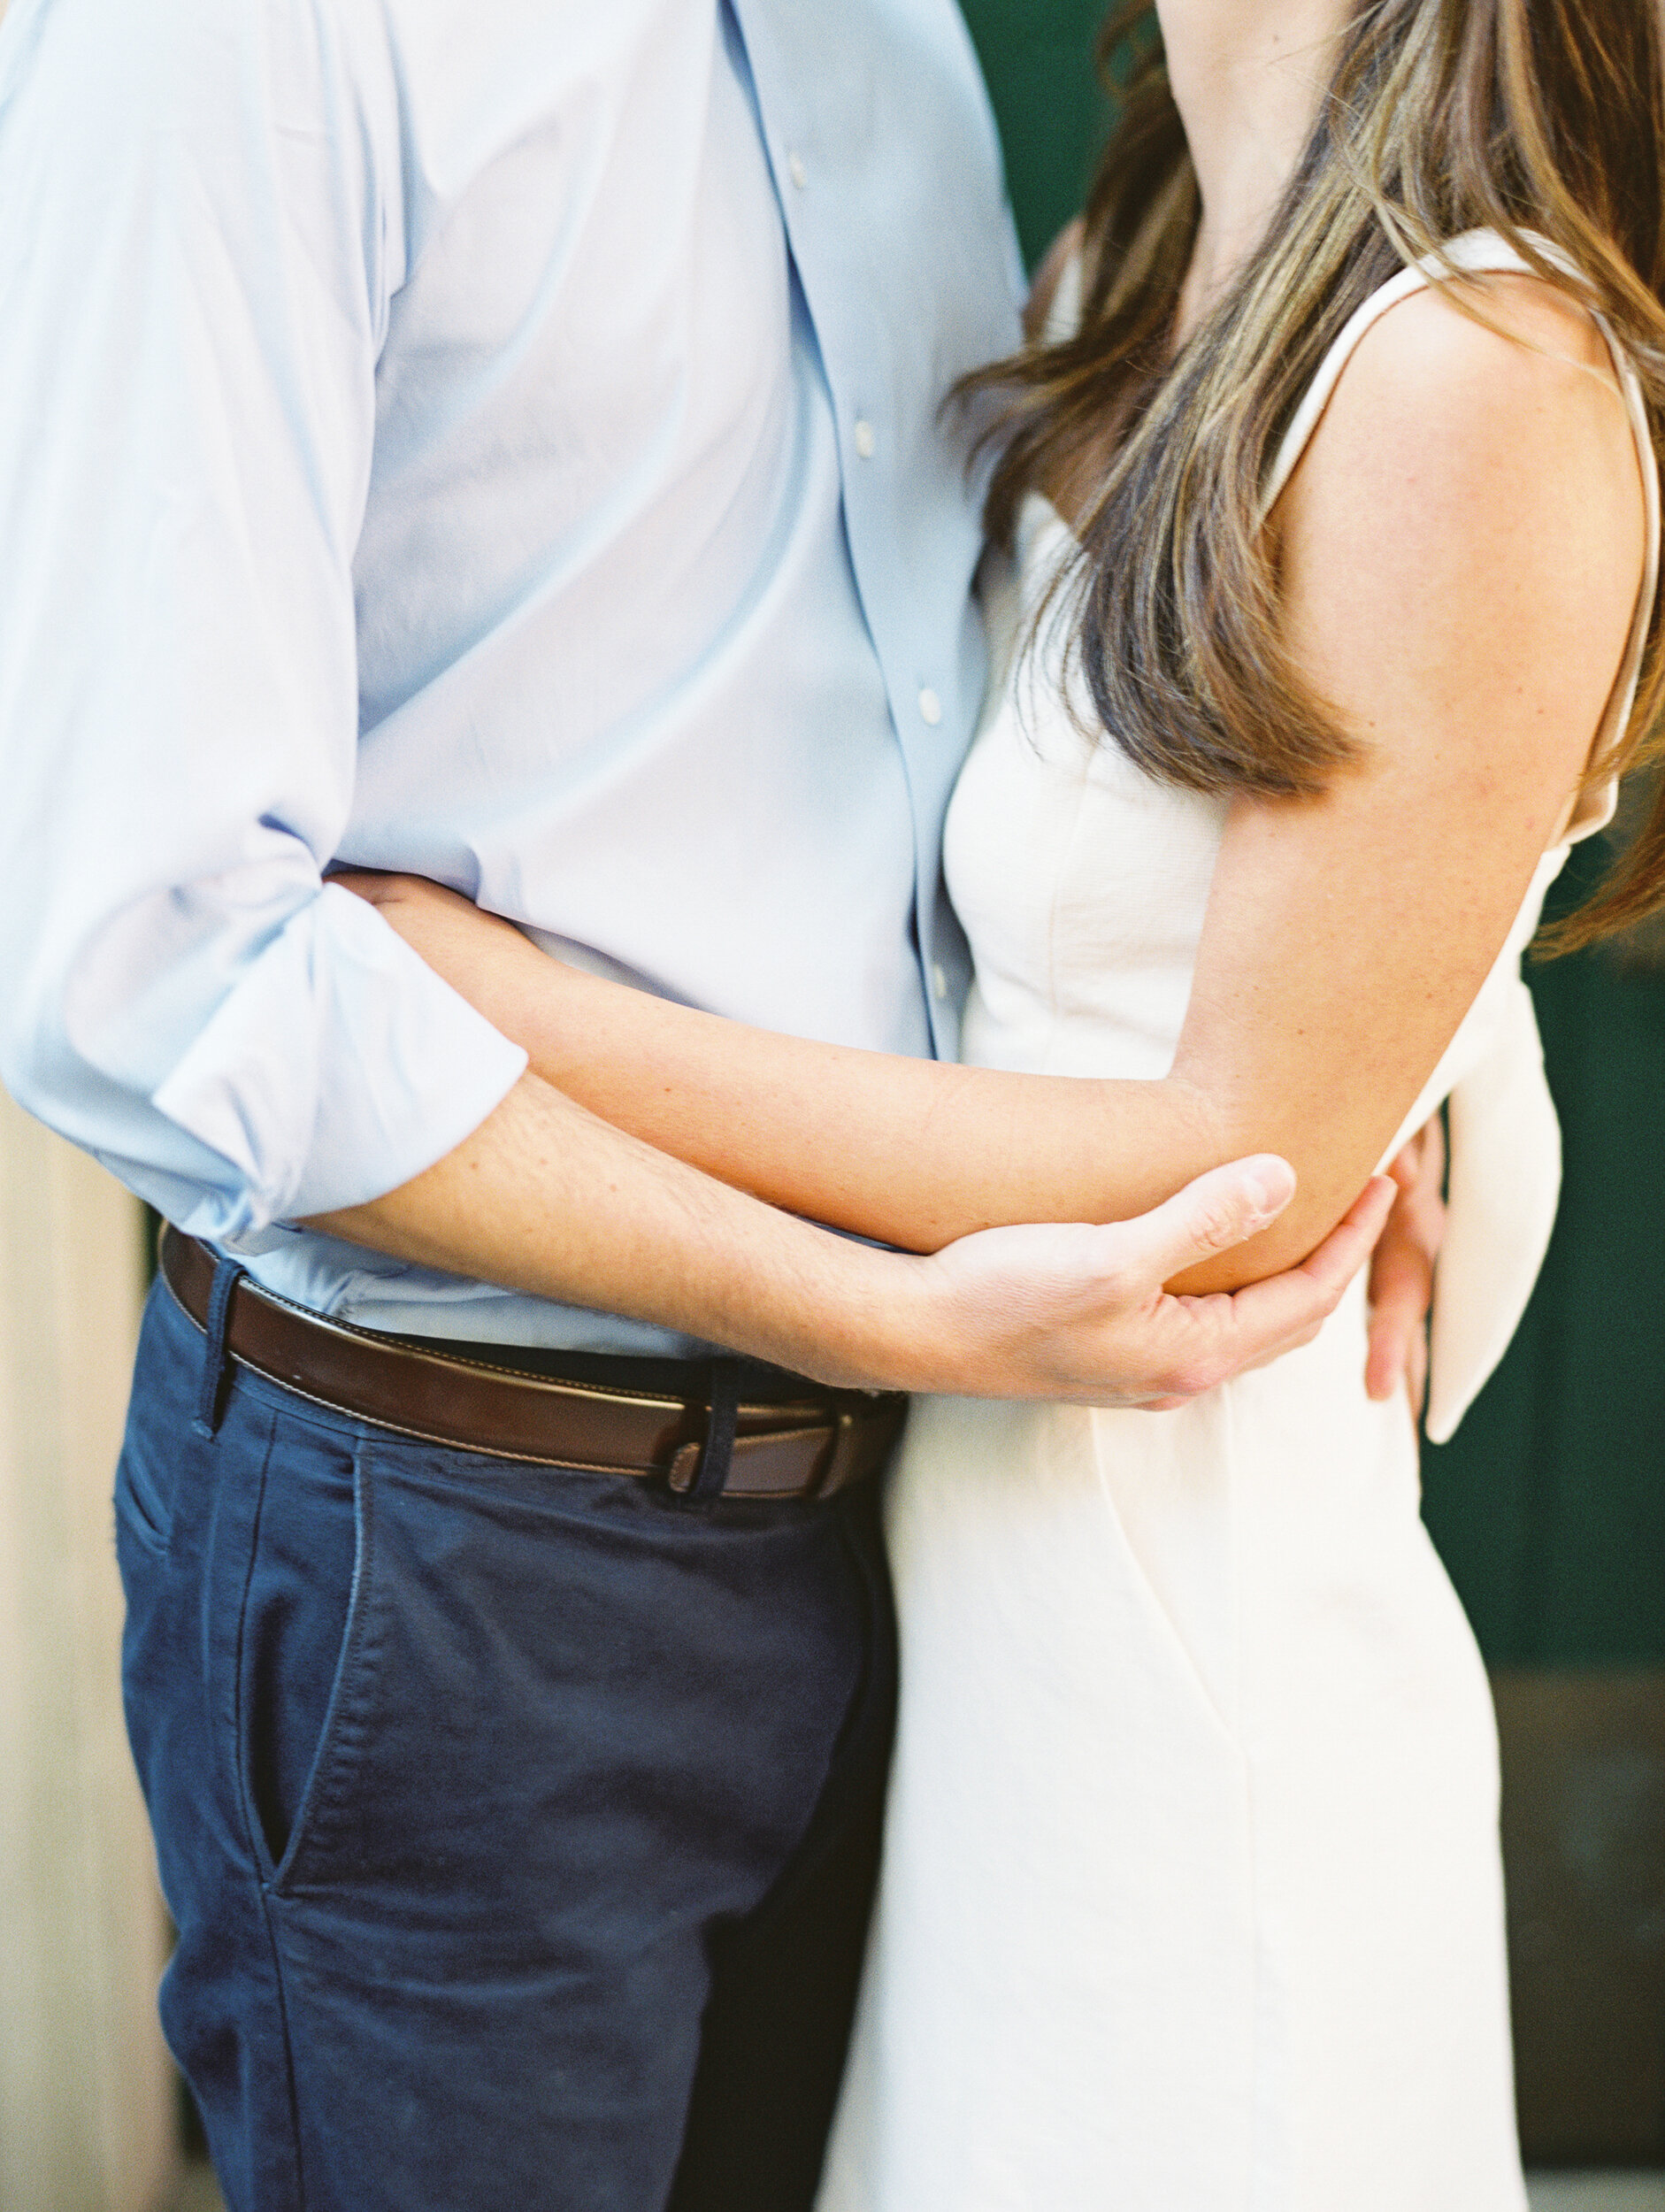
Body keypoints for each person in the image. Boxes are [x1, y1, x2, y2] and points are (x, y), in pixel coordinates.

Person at [0, 2, 1431, 2208]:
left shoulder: (882, 25)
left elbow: (1004, 655)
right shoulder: (234, 36)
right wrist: (876, 1309)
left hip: (918, 1544)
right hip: (458, 1534)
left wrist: (1363, 1043)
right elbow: (145, 960)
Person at [331, 0, 1665, 2206]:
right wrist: (1425, 1055)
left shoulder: (1475, 370)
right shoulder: (1137, 248)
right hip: (967, 1613)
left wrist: (500, 1003)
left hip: (1188, 1636)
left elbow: (1217, 1168)